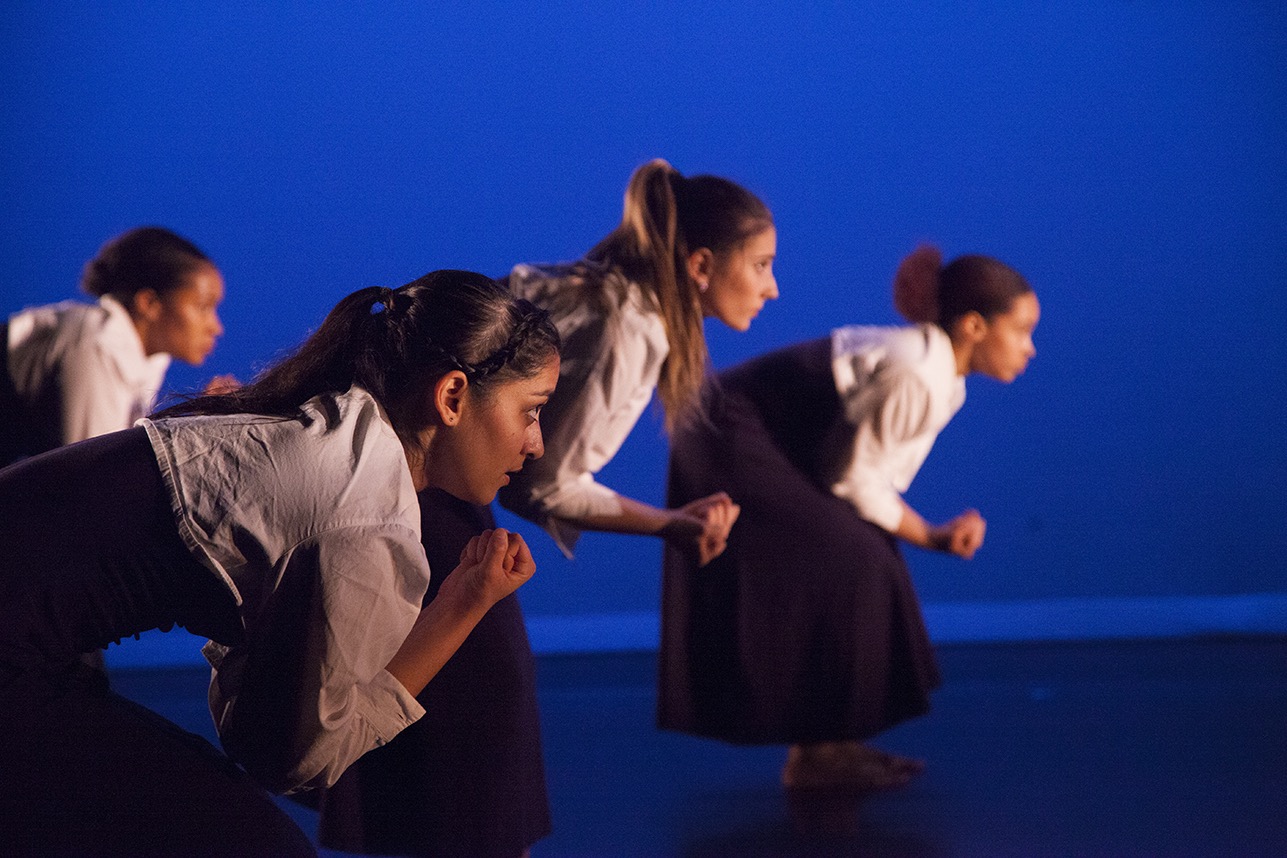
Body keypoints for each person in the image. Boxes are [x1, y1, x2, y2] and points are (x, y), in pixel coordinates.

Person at [0, 269, 561, 856]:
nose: (537, 443)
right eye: (531, 411)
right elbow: (295, 761)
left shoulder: (340, 427)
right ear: (451, 397)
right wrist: (461, 605)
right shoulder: (362, 510)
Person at [316, 159, 778, 857]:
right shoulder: (629, 325)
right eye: (763, 264)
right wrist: (672, 526)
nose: (772, 287)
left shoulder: (598, 294)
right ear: (703, 265)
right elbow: (547, 485)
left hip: (418, 487)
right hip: (426, 499)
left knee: (459, 705)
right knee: (478, 706)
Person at [657, 245, 1040, 792]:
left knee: (863, 550)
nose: (1030, 349)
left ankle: (827, 745)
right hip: (722, 430)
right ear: (975, 326)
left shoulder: (940, 375)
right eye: (1022, 330)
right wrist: (931, 535)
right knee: (856, 553)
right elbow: (856, 481)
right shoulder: (918, 373)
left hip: (761, 436)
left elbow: (863, 479)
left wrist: (926, 532)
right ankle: (820, 750)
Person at [2, 225, 234, 465]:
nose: (216, 327)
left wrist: (201, 421)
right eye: (203, 306)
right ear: (149, 303)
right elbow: (92, 475)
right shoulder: (97, 343)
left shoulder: (144, 360)